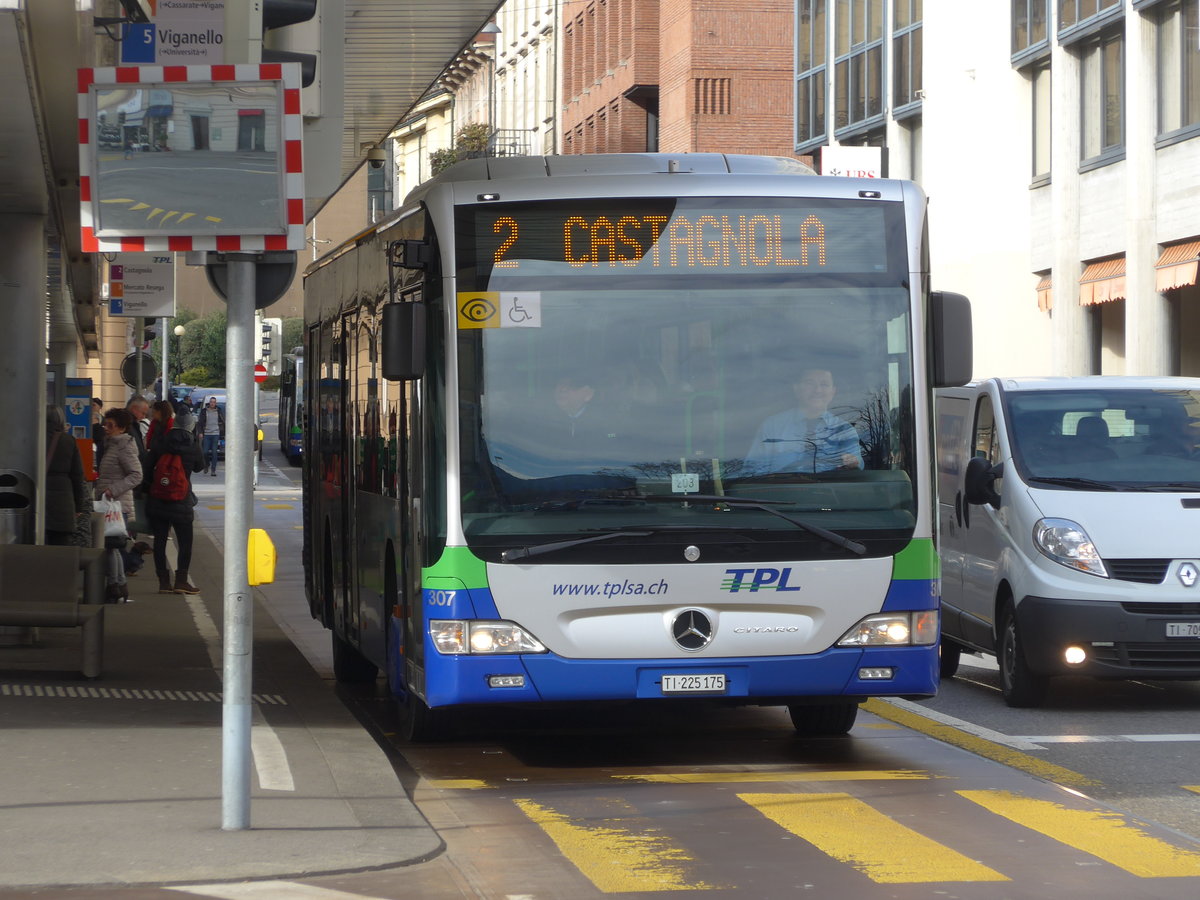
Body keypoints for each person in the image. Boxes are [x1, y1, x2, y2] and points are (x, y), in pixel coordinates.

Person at [745, 367, 863, 474]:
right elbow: (753, 471)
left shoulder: (844, 430)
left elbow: (857, 467)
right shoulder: (772, 426)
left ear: (833, 391)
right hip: (780, 494)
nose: (817, 390)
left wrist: (853, 463)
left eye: (824, 384)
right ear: (796, 388)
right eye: (810, 383)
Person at [142, 415, 205, 594]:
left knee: (160, 541)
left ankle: (163, 582)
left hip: (158, 499)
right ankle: (181, 581)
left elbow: (146, 469)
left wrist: (150, 489)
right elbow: (200, 466)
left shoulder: (160, 441)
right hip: (181, 500)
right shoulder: (193, 445)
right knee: (185, 543)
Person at [95, 408, 144, 600]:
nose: (106, 428)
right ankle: (118, 585)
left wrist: (112, 490)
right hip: (111, 504)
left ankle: (115, 585)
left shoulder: (123, 446)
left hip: (116, 505)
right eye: (105, 424)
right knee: (112, 547)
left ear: (122, 428)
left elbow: (136, 474)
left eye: (110, 425)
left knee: (111, 547)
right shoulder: (112, 444)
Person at [44, 405, 86, 547]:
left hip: (36, 498)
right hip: (62, 502)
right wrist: (78, 506)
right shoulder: (68, 441)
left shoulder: (31, 438)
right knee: (60, 548)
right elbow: (77, 476)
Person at [196, 396, 224, 476]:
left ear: (216, 403)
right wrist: (200, 432)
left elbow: (223, 421)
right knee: (205, 452)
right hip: (207, 434)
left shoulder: (218, 411)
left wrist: (223, 432)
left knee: (214, 452)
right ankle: (206, 465)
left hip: (216, 433)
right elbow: (200, 422)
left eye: (214, 402)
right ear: (209, 403)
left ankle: (213, 470)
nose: (212, 403)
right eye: (211, 402)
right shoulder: (204, 411)